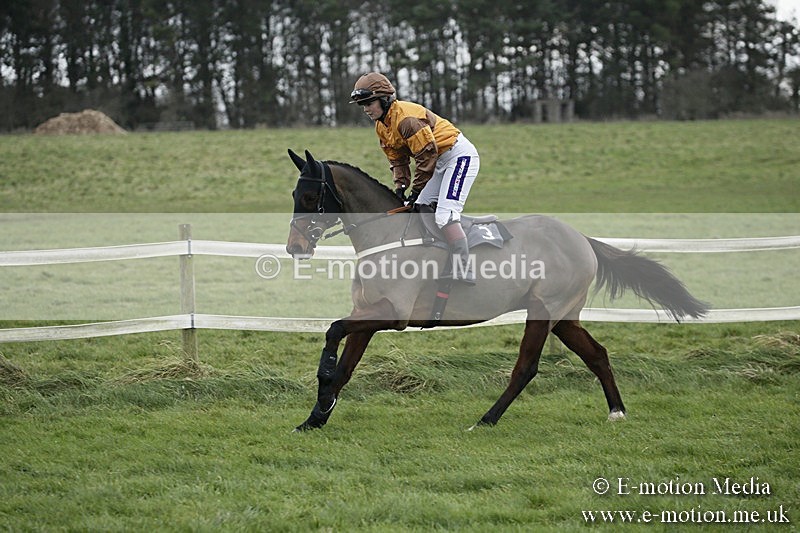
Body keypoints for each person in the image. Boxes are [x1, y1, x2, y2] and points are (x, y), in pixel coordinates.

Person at [349, 72, 480, 284]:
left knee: (445, 215)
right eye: (362, 105)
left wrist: (416, 189)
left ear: (384, 99)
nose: (365, 109)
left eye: (369, 103)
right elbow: (398, 160)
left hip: (458, 157)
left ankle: (463, 268)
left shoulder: (407, 119)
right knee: (418, 209)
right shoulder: (382, 126)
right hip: (437, 161)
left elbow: (426, 156)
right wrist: (400, 187)